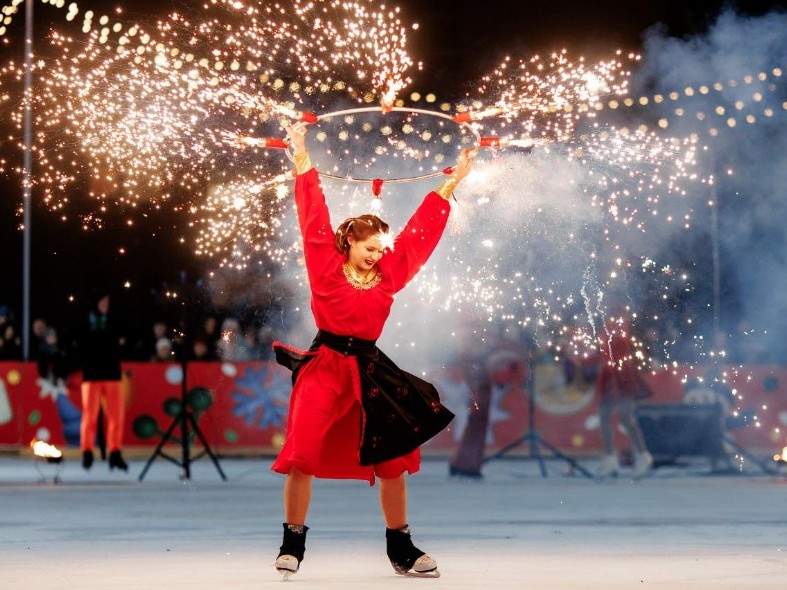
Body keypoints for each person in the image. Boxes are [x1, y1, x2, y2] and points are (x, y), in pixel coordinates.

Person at [270, 122, 475, 579]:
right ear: (349, 244)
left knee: (393, 460)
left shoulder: (389, 275)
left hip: (369, 372)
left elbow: (420, 235)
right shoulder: (325, 266)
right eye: (369, 247)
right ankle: (291, 543)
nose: (377, 254)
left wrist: (452, 181)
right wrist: (301, 155)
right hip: (324, 369)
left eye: (382, 248)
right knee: (302, 453)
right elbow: (313, 216)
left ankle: (401, 547)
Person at [595, 303, 653, 478]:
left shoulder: (623, 323)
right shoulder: (605, 323)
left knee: (626, 417)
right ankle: (610, 458)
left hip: (623, 373)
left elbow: (628, 346)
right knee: (604, 416)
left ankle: (643, 455)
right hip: (610, 372)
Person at [75, 291, 128, 472]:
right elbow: (80, 343)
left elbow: (122, 340)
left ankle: (115, 451)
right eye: (102, 301)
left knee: (116, 416)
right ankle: (87, 451)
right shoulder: (85, 321)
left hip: (112, 373)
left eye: (108, 301)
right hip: (91, 375)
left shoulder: (113, 321)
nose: (106, 305)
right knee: (89, 415)